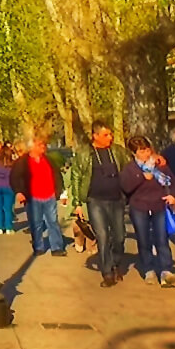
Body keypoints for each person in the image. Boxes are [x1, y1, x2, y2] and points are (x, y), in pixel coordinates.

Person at [67, 120, 130, 286]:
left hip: (116, 200)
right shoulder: (84, 153)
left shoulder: (117, 151)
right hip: (95, 201)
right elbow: (76, 177)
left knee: (119, 237)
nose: (110, 138)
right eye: (105, 135)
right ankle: (107, 273)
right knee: (102, 236)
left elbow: (129, 169)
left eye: (110, 134)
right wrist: (77, 203)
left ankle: (116, 262)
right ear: (95, 136)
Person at [122, 136, 175, 287]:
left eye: (147, 149)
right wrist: (141, 177)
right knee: (144, 239)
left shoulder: (159, 165)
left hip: (158, 205)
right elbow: (126, 187)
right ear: (134, 153)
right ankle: (148, 268)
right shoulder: (130, 168)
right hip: (139, 207)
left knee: (161, 238)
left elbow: (172, 180)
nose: (146, 154)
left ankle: (165, 270)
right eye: (142, 151)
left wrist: (172, 195)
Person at [10, 128, 68, 258]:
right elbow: (15, 177)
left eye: (44, 144)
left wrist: (60, 191)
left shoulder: (48, 160)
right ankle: (38, 246)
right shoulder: (23, 162)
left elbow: (57, 176)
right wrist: (19, 192)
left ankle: (57, 247)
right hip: (33, 197)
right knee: (35, 223)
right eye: (40, 145)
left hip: (49, 196)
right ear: (33, 146)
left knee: (52, 222)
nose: (44, 147)